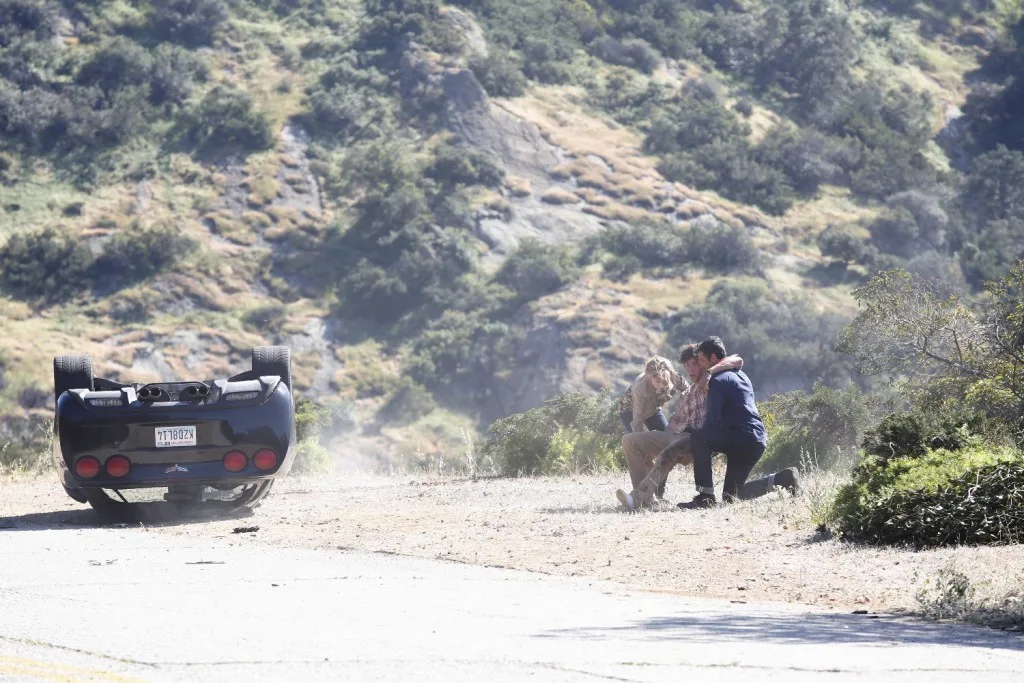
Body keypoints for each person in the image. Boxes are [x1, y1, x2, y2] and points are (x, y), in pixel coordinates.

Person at [675, 336, 800, 510]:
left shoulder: (716, 382)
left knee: (699, 438)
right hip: (755, 439)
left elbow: (712, 423)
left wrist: (699, 449)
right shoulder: (740, 374)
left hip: (739, 437)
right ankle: (783, 479)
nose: (701, 366)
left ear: (713, 359)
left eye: (702, 361)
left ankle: (705, 497)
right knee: (731, 496)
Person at [615, 344, 743, 511]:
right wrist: (652, 446)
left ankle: (640, 498)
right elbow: (654, 422)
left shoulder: (715, 380)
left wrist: (710, 372)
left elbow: (737, 360)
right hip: (652, 420)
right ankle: (647, 498)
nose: (690, 369)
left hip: (699, 438)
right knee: (630, 440)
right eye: (687, 365)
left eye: (695, 363)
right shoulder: (686, 394)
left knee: (671, 447)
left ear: (704, 363)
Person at [617, 356, 686, 435]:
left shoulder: (675, 378)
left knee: (665, 436)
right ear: (650, 378)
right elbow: (637, 419)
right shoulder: (640, 389)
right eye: (658, 381)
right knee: (637, 440)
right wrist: (640, 440)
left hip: (653, 408)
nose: (661, 385)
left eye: (665, 381)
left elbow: (690, 391)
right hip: (630, 409)